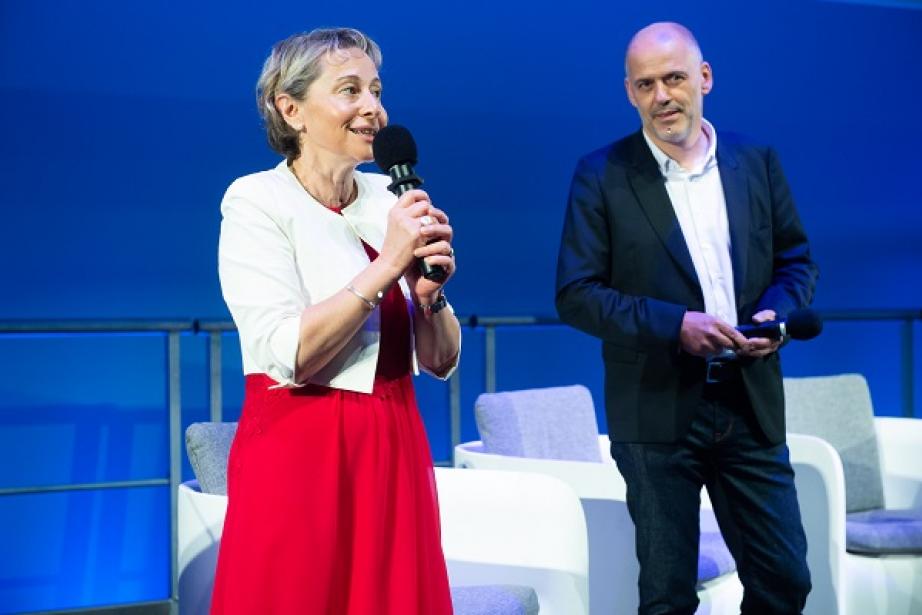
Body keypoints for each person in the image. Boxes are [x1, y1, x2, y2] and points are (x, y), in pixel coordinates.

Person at [555, 22, 818, 615]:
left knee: (785, 582)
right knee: (669, 596)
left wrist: (779, 309)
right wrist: (676, 325)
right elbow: (576, 293)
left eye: (674, 79)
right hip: (655, 413)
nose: (662, 96)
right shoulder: (601, 173)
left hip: (749, 403)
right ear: (629, 92)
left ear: (704, 78)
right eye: (646, 84)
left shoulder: (756, 161)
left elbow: (796, 260)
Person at [211, 28, 460, 615]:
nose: (372, 107)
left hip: (393, 441)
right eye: (349, 90)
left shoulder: (389, 197)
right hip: (301, 452)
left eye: (376, 90)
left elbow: (441, 361)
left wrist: (429, 297)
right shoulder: (256, 201)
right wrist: (391, 264)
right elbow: (289, 352)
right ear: (290, 108)